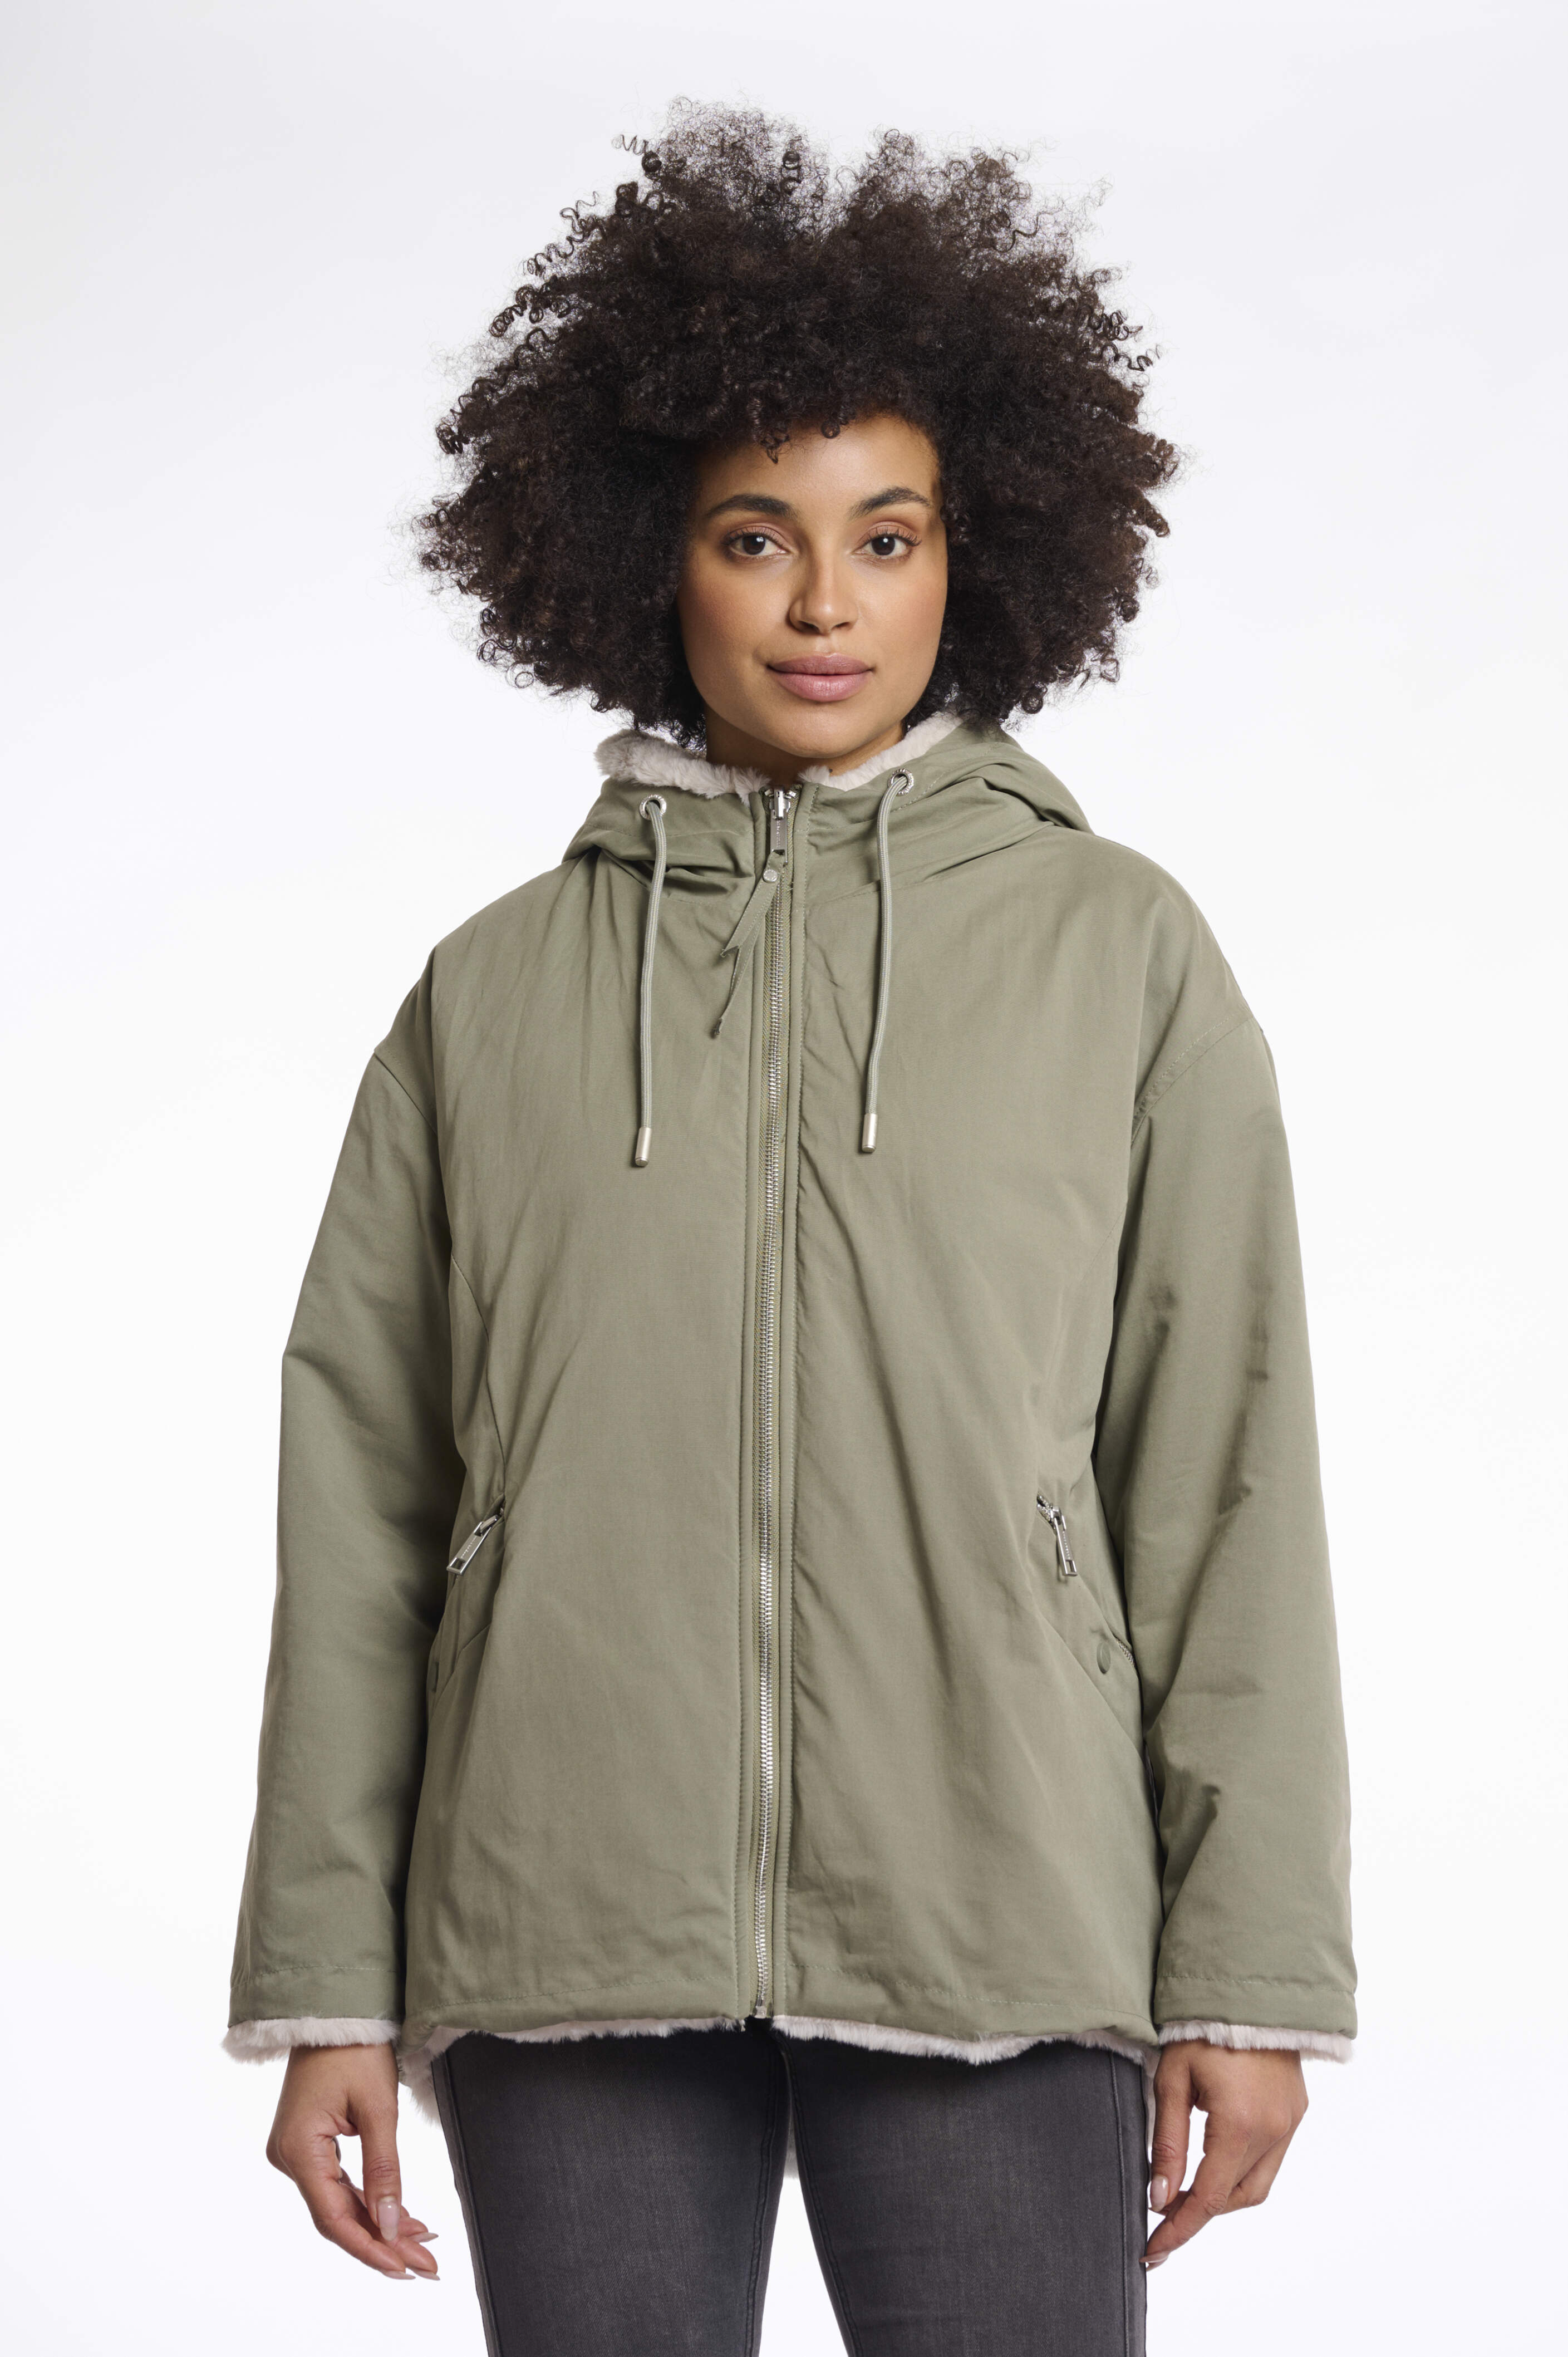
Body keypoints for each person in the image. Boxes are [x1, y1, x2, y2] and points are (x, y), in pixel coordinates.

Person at [224, 106, 1355, 2355]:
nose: (825, 604)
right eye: (758, 538)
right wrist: (327, 1979)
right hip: (564, 1919)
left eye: (885, 536)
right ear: (650, 560)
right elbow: (364, 1501)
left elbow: (1226, 1471)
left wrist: (1244, 1970)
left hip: (1000, 1908)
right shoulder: (492, 994)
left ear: (972, 560)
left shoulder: (1121, 956)